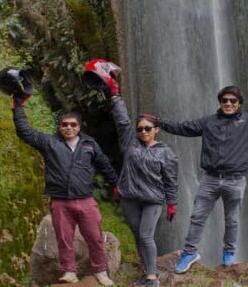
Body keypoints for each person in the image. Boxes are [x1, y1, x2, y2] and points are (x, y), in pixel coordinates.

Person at [150, 55, 248, 273]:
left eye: (233, 101)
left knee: (232, 220)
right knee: (197, 217)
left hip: (235, 180)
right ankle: (189, 253)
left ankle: (229, 254)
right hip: (210, 179)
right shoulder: (208, 122)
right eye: (225, 101)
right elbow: (183, 127)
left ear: (239, 103)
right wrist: (159, 122)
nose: (229, 104)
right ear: (220, 103)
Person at [5, 67, 118, 285]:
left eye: (72, 125)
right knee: (64, 240)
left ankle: (101, 270)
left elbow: (104, 165)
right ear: (60, 127)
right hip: (60, 200)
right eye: (64, 125)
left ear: (79, 127)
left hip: (85, 199)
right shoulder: (50, 143)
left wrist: (115, 185)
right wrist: (18, 107)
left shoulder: (89, 145)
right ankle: (69, 272)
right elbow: (26, 133)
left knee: (94, 237)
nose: (68, 128)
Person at [85, 59, 179, 287]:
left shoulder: (166, 152)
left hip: (152, 200)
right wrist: (114, 94)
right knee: (138, 236)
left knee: (146, 235)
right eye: (140, 129)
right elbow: (122, 121)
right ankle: (147, 269)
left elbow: (171, 178)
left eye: (148, 128)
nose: (143, 131)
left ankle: (152, 278)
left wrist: (172, 202)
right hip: (130, 198)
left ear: (156, 130)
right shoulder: (130, 144)